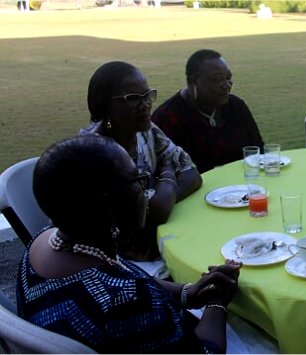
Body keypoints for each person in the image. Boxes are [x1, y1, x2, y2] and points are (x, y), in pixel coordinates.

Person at [18, 135, 242, 353]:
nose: (146, 191)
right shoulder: (126, 301)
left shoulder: (41, 244)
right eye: (138, 181)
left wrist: (187, 292)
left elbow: (124, 272)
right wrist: (216, 304)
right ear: (107, 203)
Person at [80, 61, 202, 261]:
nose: (145, 105)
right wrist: (168, 174)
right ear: (105, 105)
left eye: (147, 95)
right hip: (105, 257)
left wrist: (163, 197)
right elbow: (156, 211)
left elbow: (192, 175)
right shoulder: (96, 153)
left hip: (149, 238)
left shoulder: (145, 130)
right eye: (133, 99)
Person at [152, 49, 265, 173]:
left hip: (244, 186)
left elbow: (258, 151)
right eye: (217, 80)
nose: (226, 85)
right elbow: (171, 173)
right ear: (193, 81)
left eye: (228, 78)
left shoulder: (236, 106)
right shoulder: (168, 118)